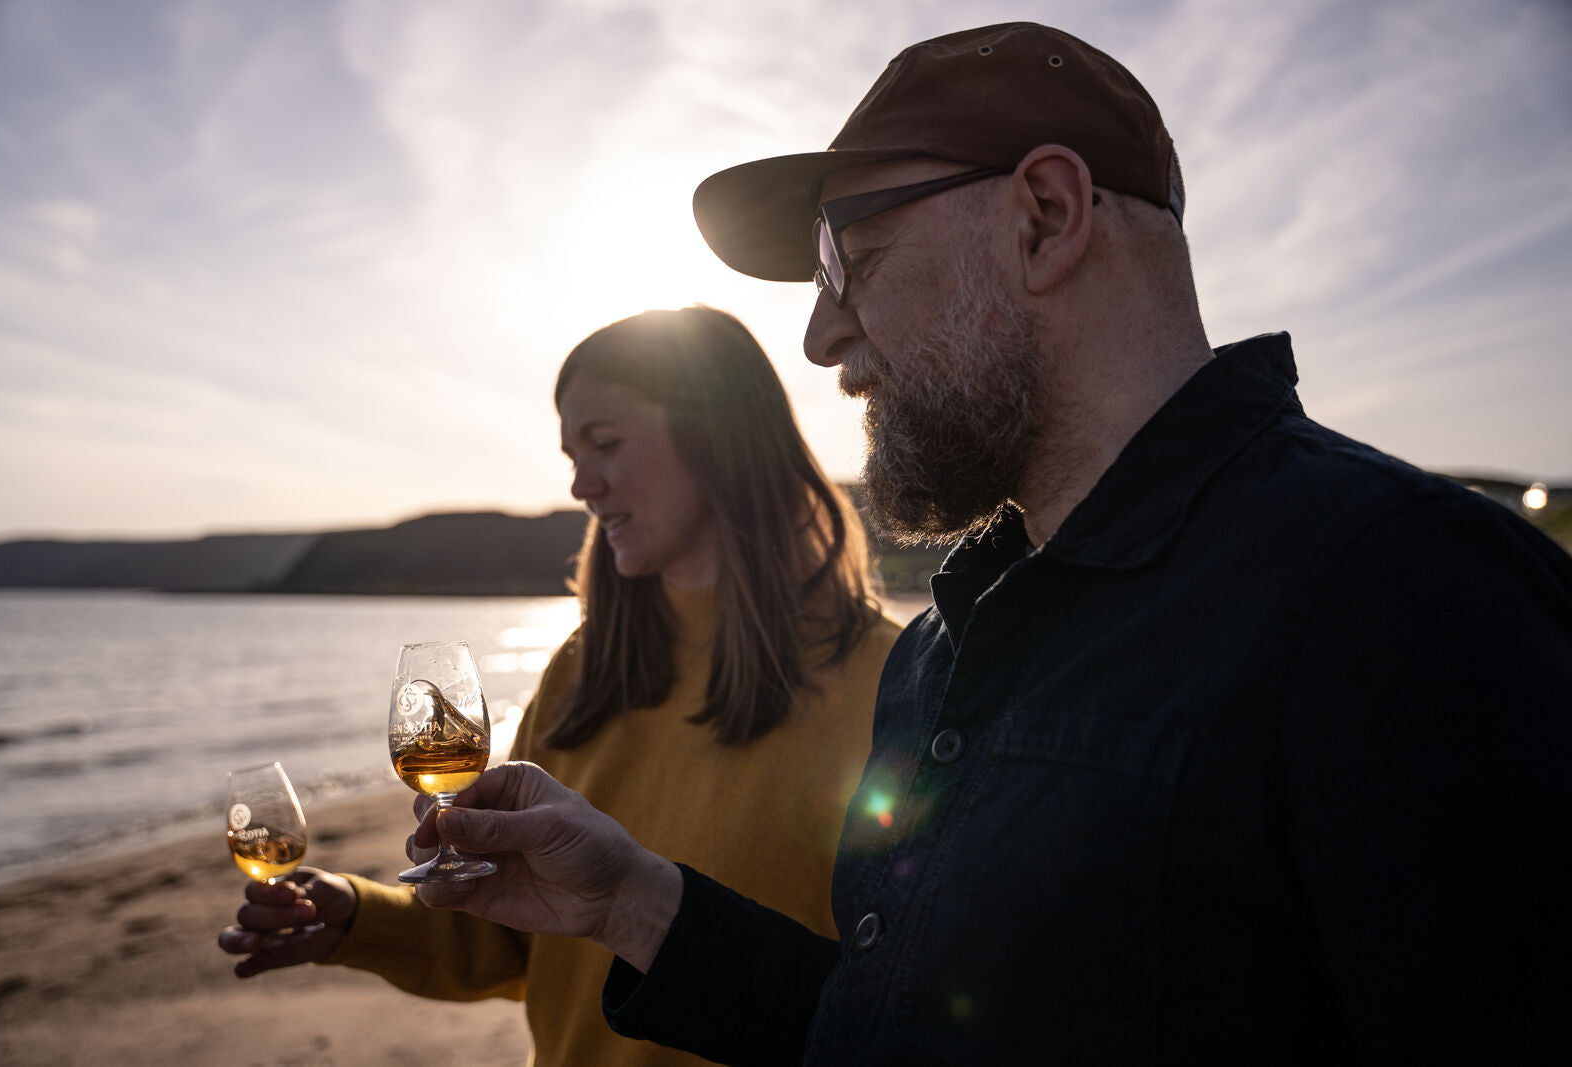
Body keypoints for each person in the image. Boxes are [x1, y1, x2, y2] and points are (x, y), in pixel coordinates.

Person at [402, 22, 1572, 1066]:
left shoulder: (1398, 592)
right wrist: (632, 900)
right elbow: (893, 1026)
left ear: (1044, 217)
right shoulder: (942, 653)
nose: (819, 334)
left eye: (845, 258)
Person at [217, 306, 902, 1067]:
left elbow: (897, 1005)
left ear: (723, 435)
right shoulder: (583, 672)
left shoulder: (893, 685)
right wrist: (351, 916)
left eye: (605, 444)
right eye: (573, 454)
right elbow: (513, 936)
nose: (581, 483)